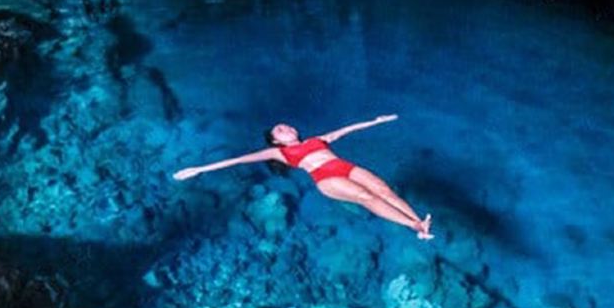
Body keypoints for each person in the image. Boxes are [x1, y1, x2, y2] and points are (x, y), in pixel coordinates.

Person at [172, 114, 432, 238]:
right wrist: (198, 169)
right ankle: (413, 226)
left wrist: (375, 122)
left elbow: (346, 130)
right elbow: (239, 159)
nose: (285, 127)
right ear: (276, 140)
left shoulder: (317, 139)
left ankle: (419, 223)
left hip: (344, 166)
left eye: (285, 125)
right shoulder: (278, 154)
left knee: (384, 190)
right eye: (279, 129)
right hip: (326, 178)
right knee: (365, 196)